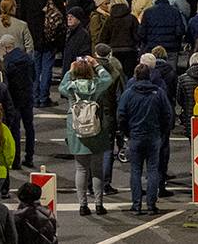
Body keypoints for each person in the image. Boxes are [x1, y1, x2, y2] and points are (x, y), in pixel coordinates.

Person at [59, 56, 115, 216]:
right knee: (97, 169)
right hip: (95, 127)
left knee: (81, 169)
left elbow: (62, 86)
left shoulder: (70, 87)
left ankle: (83, 205)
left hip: (76, 129)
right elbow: (107, 78)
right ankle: (99, 204)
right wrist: (96, 64)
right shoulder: (96, 85)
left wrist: (70, 71)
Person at [114, 63, 172, 213]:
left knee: (135, 171)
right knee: (153, 170)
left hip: (135, 136)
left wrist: (126, 132)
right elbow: (167, 115)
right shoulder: (158, 92)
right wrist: (163, 132)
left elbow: (121, 115)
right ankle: (151, 205)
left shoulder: (128, 94)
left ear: (135, 75)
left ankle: (136, 204)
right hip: (154, 136)